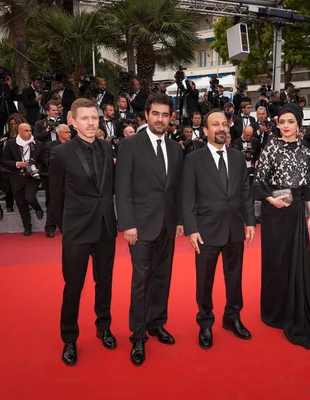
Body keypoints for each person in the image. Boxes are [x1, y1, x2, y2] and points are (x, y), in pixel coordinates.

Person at [254, 103, 310, 349]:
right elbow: (259, 180)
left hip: (296, 213)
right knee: (276, 260)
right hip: (275, 212)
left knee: (298, 260)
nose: (285, 126)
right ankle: (275, 309)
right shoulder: (271, 146)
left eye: (290, 122)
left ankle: (297, 304)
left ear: (298, 124)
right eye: (281, 122)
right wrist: (271, 199)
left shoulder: (306, 150)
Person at [115, 93, 184, 366]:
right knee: (141, 280)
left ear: (170, 118)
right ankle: (138, 334)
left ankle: (157, 323)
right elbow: (123, 189)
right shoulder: (130, 145)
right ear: (146, 115)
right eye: (156, 114)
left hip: (167, 225)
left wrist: (179, 220)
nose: (160, 119)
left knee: (162, 277)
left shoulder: (176, 148)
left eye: (165, 115)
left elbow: (176, 190)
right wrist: (128, 224)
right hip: (140, 227)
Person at [49, 98, 118, 366]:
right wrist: (67, 229)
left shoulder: (107, 146)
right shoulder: (61, 153)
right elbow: (56, 197)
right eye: (85, 118)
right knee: (74, 286)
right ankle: (69, 338)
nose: (91, 123)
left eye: (94, 118)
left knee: (105, 282)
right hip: (77, 230)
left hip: (105, 228)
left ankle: (104, 326)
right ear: (72, 121)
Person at [183, 110, 256, 349]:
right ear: (205, 131)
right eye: (215, 124)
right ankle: (205, 322)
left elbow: (246, 191)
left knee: (234, 278)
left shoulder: (237, 157)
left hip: (234, 228)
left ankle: (232, 317)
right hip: (206, 231)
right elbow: (188, 197)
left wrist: (251, 221)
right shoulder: (194, 159)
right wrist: (192, 228)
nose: (221, 128)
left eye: (224, 124)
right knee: (205, 280)